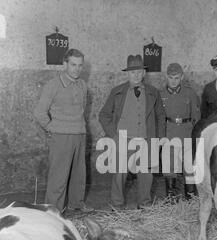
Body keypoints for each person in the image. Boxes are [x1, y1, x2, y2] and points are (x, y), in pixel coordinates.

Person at [99, 54, 165, 210]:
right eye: (132, 72)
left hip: (145, 140)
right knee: (119, 174)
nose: (136, 75)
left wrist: (160, 137)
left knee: (146, 174)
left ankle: (144, 204)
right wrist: (113, 134)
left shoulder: (153, 92)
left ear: (144, 73)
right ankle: (117, 205)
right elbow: (104, 114)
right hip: (123, 139)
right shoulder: (117, 92)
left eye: (139, 71)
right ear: (127, 73)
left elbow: (160, 116)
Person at [33, 48, 94, 213]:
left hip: (80, 134)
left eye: (80, 65)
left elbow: (81, 111)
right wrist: (51, 127)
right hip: (61, 137)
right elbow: (39, 112)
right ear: (64, 64)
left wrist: (83, 130)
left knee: (79, 175)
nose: (77, 69)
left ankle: (77, 204)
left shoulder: (83, 85)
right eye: (73, 64)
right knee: (58, 177)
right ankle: (53, 211)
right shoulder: (53, 85)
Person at [160, 63, 200, 200]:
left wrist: (195, 137)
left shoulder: (190, 93)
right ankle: (171, 198)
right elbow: (159, 118)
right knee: (169, 167)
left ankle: (190, 197)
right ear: (166, 76)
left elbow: (196, 117)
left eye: (177, 78)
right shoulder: (161, 94)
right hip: (169, 133)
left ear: (182, 77)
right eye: (171, 77)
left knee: (189, 166)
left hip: (187, 132)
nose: (173, 81)